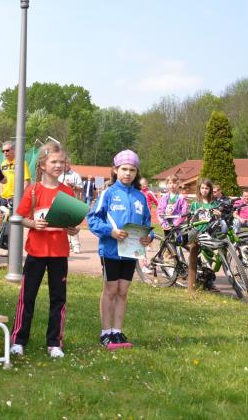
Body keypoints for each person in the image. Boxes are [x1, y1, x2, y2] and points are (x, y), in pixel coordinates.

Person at [10, 142, 81, 359]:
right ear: (42, 165)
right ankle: (18, 340)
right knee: (27, 297)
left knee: (58, 299)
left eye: (62, 162)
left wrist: (72, 229)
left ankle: (54, 343)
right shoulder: (33, 190)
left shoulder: (67, 191)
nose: (58, 165)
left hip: (59, 253)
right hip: (36, 252)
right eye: (54, 162)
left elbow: (72, 223)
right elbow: (20, 217)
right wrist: (33, 224)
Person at [87, 150, 152, 350]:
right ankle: (105, 332)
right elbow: (93, 219)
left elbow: (147, 222)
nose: (128, 173)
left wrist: (148, 237)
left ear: (137, 172)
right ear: (115, 170)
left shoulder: (140, 197)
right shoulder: (108, 193)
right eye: (124, 169)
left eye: (132, 170)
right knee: (110, 290)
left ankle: (117, 331)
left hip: (131, 252)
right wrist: (111, 232)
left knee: (123, 291)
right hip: (111, 250)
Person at [0, 141, 31, 249]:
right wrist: (1, 193)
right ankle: (6, 247)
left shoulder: (21, 163)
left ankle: (13, 249)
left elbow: (27, 181)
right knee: (4, 224)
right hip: (4, 198)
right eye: (3, 151)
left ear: (14, 150)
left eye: (7, 150)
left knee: (14, 224)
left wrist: (18, 196)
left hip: (15, 198)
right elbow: (1, 181)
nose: (5, 153)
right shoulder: (3, 164)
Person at [60, 159, 83, 253]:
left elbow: (81, 188)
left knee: (73, 224)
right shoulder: (58, 174)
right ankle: (67, 244)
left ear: (70, 164)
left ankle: (76, 245)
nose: (64, 165)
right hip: (60, 202)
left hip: (72, 202)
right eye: (63, 163)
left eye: (66, 163)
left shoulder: (75, 175)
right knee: (61, 224)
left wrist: (73, 186)